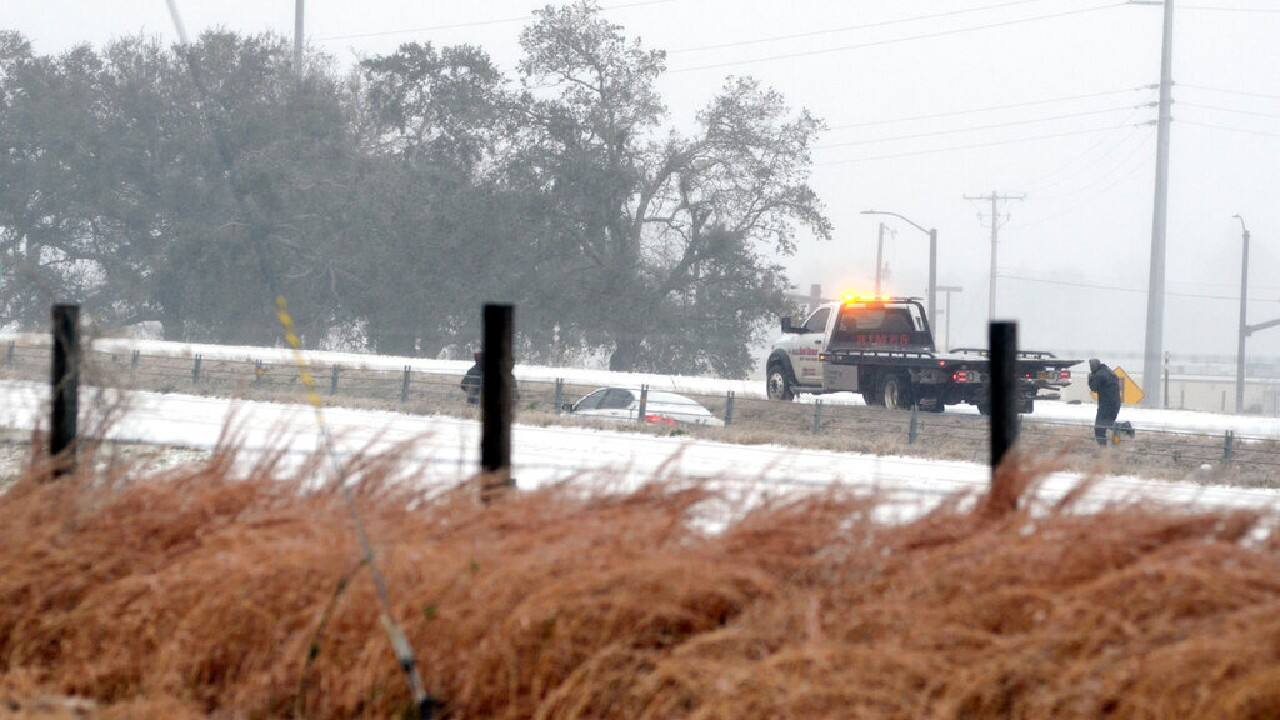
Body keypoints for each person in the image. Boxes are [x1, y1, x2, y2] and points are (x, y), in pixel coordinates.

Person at [1087, 358, 1121, 446]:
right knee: (1107, 424)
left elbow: (1093, 388)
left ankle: (1103, 449)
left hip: (1107, 404)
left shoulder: (1099, 375)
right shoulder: (1107, 371)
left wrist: (1091, 378)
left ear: (1095, 366)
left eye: (1091, 366)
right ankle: (1114, 445)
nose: (1091, 368)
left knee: (1100, 427)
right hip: (1114, 403)